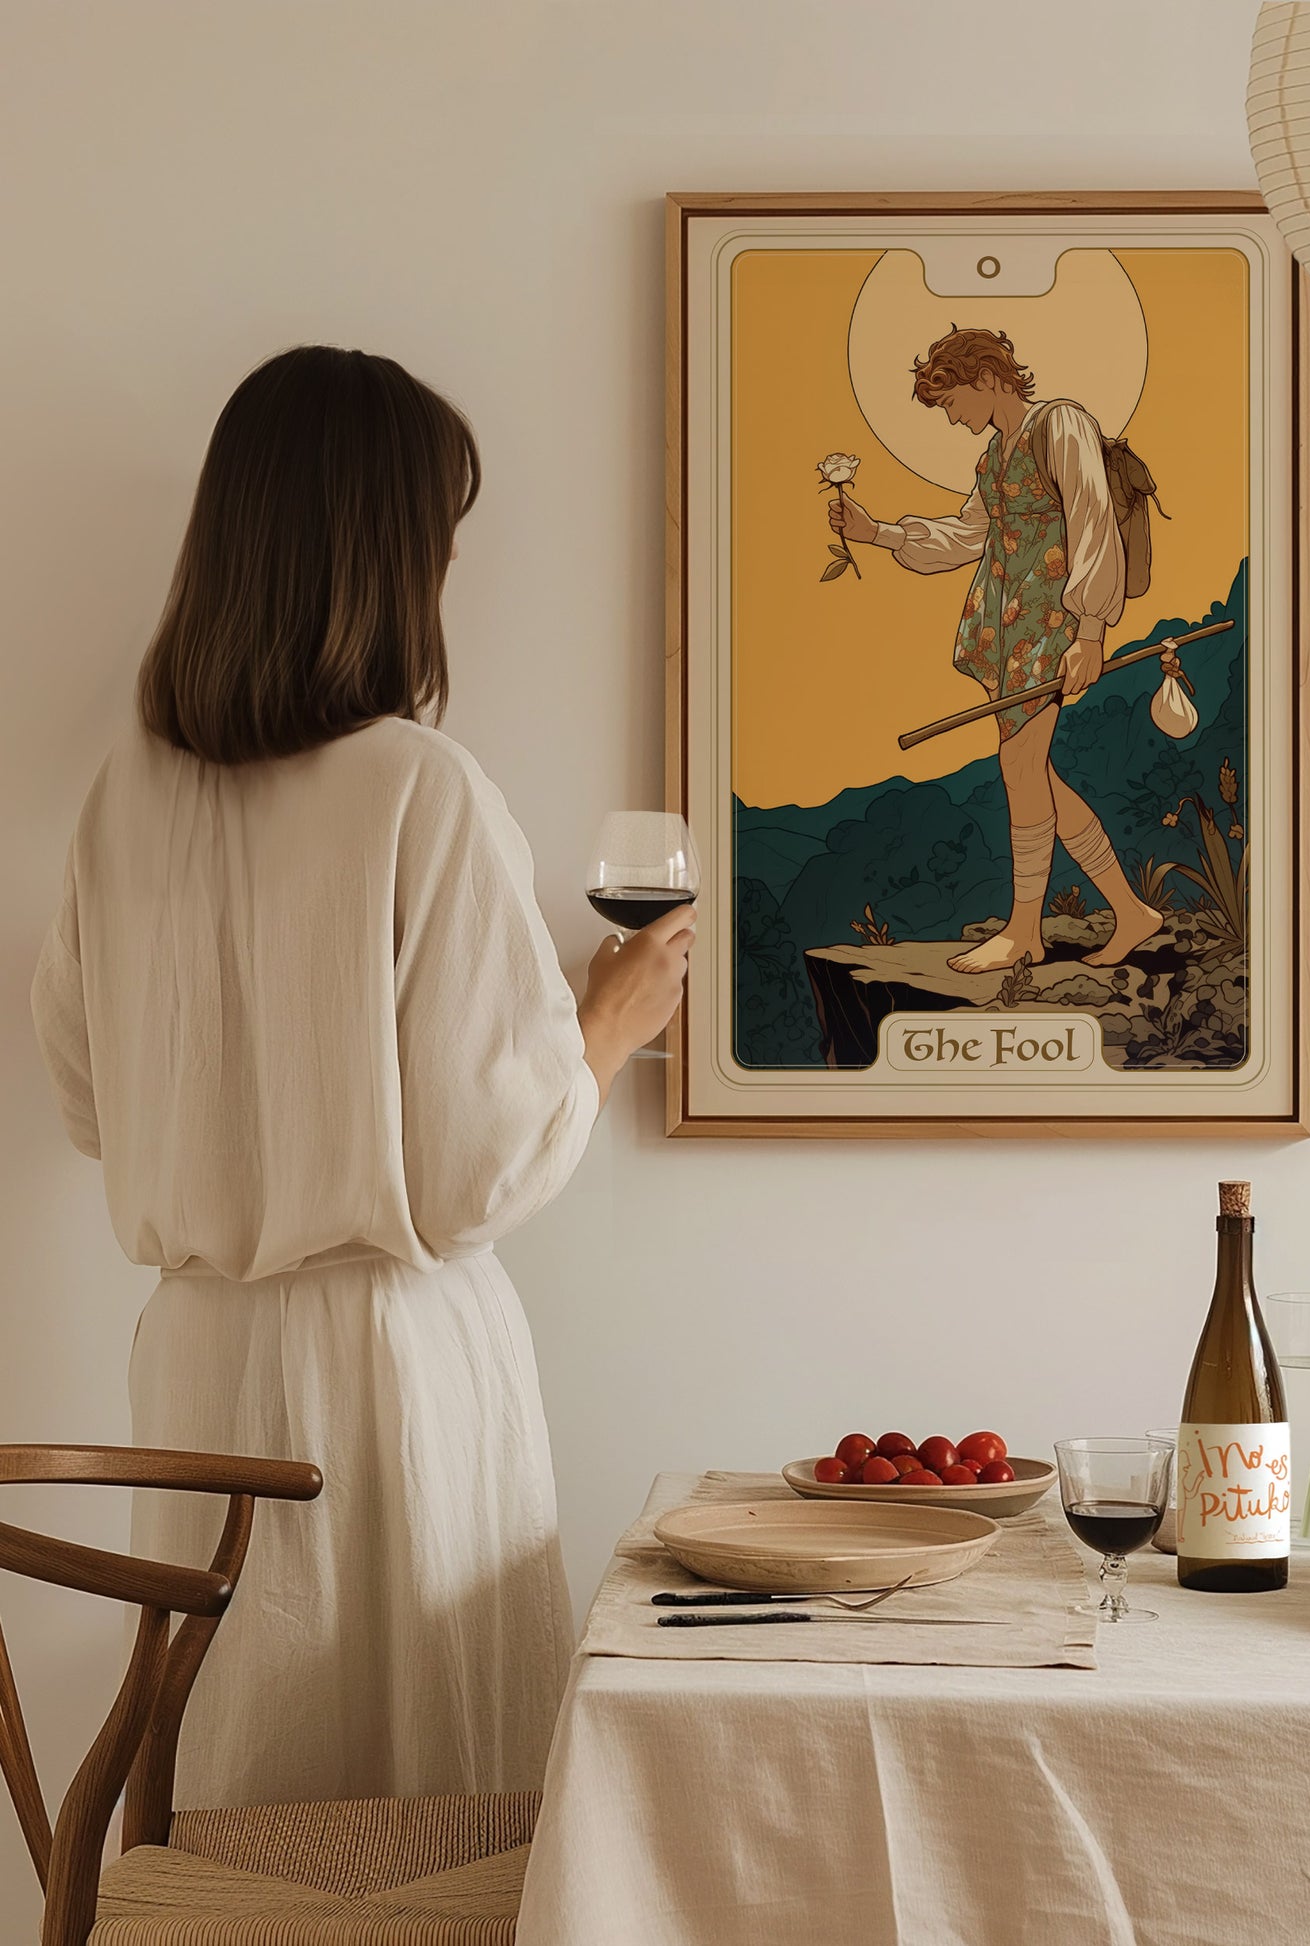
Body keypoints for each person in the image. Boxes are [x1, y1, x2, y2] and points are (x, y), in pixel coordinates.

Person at [29, 345, 690, 1807]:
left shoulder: (122, 797)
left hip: (197, 1360)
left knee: (241, 1789)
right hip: (391, 1371)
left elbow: (88, 1101)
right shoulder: (417, 785)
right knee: (423, 1810)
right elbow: (474, 1172)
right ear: (387, 556)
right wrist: (606, 1019)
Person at [830, 326, 1163, 971]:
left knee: (1020, 769)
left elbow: (1091, 517)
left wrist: (1090, 631)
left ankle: (1023, 931)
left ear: (985, 378)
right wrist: (878, 533)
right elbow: (967, 535)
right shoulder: (993, 458)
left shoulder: (1059, 425)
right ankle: (1131, 911)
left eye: (951, 401)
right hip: (1005, 630)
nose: (951, 418)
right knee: (1033, 772)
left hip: (1051, 627)